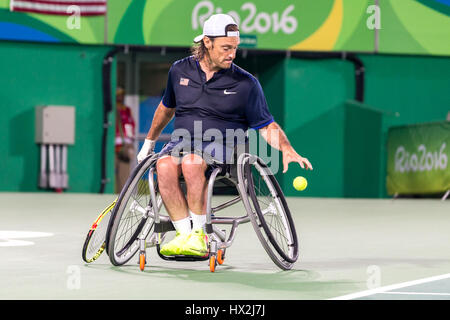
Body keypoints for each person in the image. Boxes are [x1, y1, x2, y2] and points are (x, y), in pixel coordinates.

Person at [137, 14, 313, 256]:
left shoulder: (246, 83)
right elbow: (166, 109)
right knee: (165, 167)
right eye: (226, 48)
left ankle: (199, 235)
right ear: (207, 43)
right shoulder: (179, 70)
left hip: (224, 147)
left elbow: (266, 125)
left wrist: (286, 148)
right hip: (182, 142)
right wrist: (149, 142)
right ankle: (184, 234)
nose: (232, 54)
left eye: (235, 48)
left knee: (191, 163)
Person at [115, 87, 136, 193]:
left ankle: (121, 197)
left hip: (125, 145)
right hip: (113, 146)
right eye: (118, 94)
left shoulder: (127, 110)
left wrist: (130, 143)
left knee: (124, 175)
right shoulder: (113, 110)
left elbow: (132, 125)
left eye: (121, 94)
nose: (120, 96)